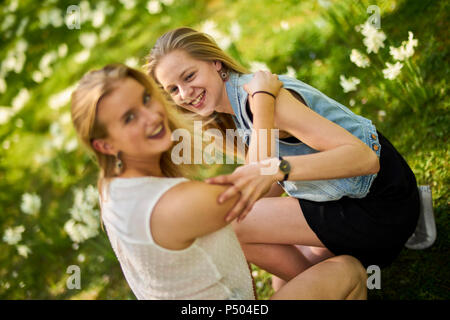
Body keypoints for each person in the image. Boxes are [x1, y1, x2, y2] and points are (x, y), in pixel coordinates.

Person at [145, 27, 422, 289]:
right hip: (342, 202)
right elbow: (262, 178)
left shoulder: (266, 100)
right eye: (173, 89)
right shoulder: (228, 118)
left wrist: (278, 166)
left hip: (381, 207)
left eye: (189, 76)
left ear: (215, 63)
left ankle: (331, 286)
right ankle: (326, 285)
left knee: (231, 225)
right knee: (282, 281)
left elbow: (365, 159)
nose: (185, 93)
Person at [70, 63, 367, 300]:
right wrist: (262, 102)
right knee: (347, 271)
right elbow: (257, 177)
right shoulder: (178, 204)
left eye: (147, 98)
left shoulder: (111, 188)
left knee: (296, 273)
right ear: (105, 146)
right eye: (129, 118)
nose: (152, 117)